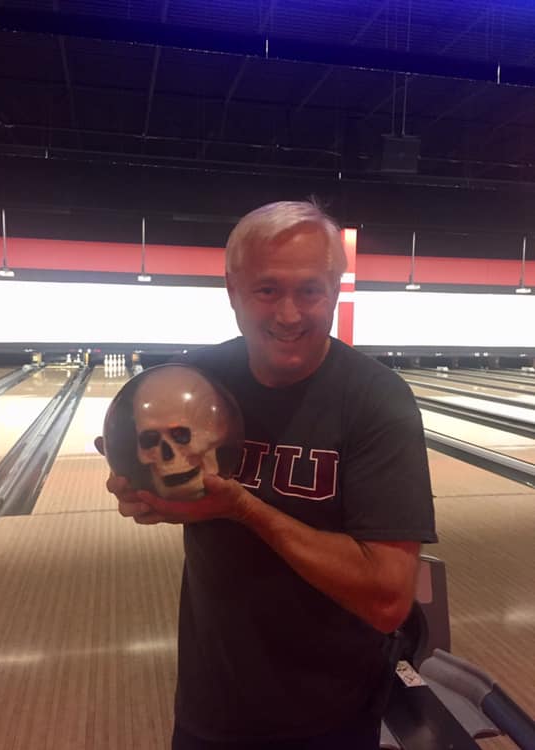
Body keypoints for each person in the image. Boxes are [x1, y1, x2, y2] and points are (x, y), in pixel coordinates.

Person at [100, 201, 437, 750]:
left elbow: (388, 601)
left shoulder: (377, 401)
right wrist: (146, 496)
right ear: (232, 290)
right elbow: (169, 487)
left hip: (332, 714)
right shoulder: (196, 382)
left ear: (335, 290)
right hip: (209, 706)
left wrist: (245, 509)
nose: (289, 313)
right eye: (267, 290)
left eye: (310, 291)